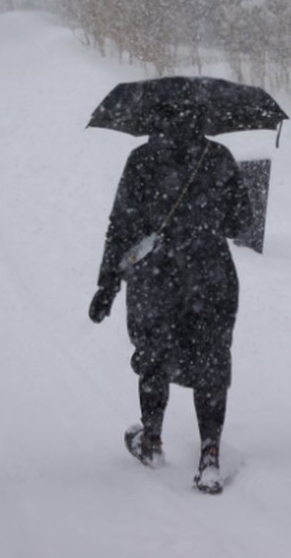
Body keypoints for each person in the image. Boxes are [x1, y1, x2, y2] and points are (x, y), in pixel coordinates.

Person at [89, 101, 252, 495]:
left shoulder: (142, 159)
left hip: (156, 279)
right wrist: (208, 219)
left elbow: (122, 224)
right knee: (211, 359)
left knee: (154, 356)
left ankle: (152, 442)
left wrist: (108, 284)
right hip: (211, 276)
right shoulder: (219, 156)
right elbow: (241, 223)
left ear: (151, 120)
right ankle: (210, 457)